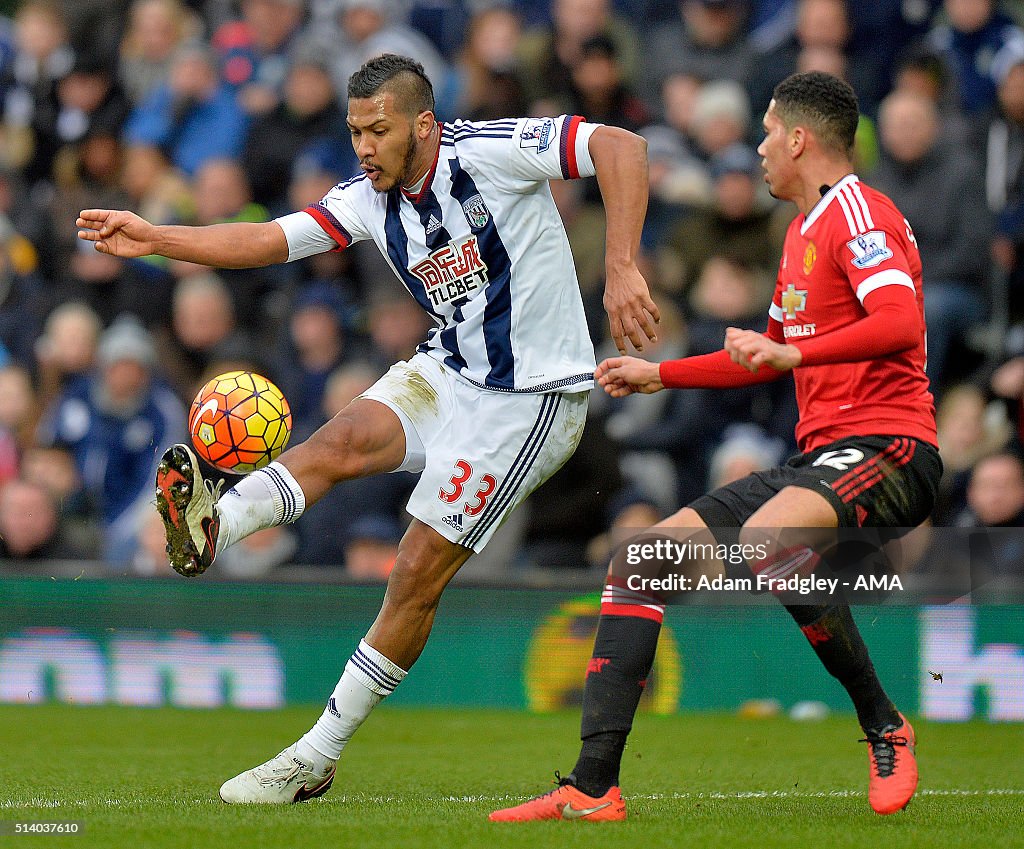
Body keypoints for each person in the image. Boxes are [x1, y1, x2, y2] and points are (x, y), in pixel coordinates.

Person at [76, 53, 658, 804]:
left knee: (413, 569)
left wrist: (621, 266)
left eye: (377, 129)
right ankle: (215, 523)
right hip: (450, 369)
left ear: (423, 125)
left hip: (530, 398)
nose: (363, 146)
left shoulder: (488, 151)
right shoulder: (367, 198)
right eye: (355, 131)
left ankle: (316, 754)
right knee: (339, 440)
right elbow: (269, 240)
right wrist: (157, 236)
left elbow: (622, 145)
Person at [490, 71, 941, 823]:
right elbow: (760, 350)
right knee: (640, 558)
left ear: (800, 138)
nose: (758, 148)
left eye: (766, 132)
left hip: (892, 444)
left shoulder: (858, 211)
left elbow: (900, 321)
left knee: (770, 539)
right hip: (821, 457)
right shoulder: (801, 232)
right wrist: (659, 374)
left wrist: (799, 357)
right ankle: (592, 786)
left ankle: (883, 722)